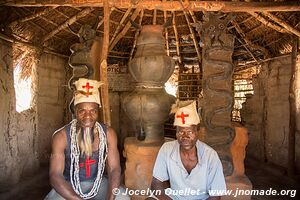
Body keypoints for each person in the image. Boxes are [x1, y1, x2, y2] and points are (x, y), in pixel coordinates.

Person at [45, 78, 129, 200]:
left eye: (93, 111)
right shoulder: (61, 137)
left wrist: (111, 197)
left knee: (123, 197)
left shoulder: (108, 133)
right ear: (75, 111)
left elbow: (114, 169)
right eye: (82, 111)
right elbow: (55, 175)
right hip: (69, 185)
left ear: (98, 112)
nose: (88, 116)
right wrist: (76, 198)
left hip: (98, 184)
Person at [148, 101, 226, 200]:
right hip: (175, 197)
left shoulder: (210, 155)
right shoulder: (167, 149)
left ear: (198, 132)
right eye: (181, 132)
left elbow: (215, 195)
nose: (185, 137)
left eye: (190, 131)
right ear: (176, 133)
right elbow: (156, 184)